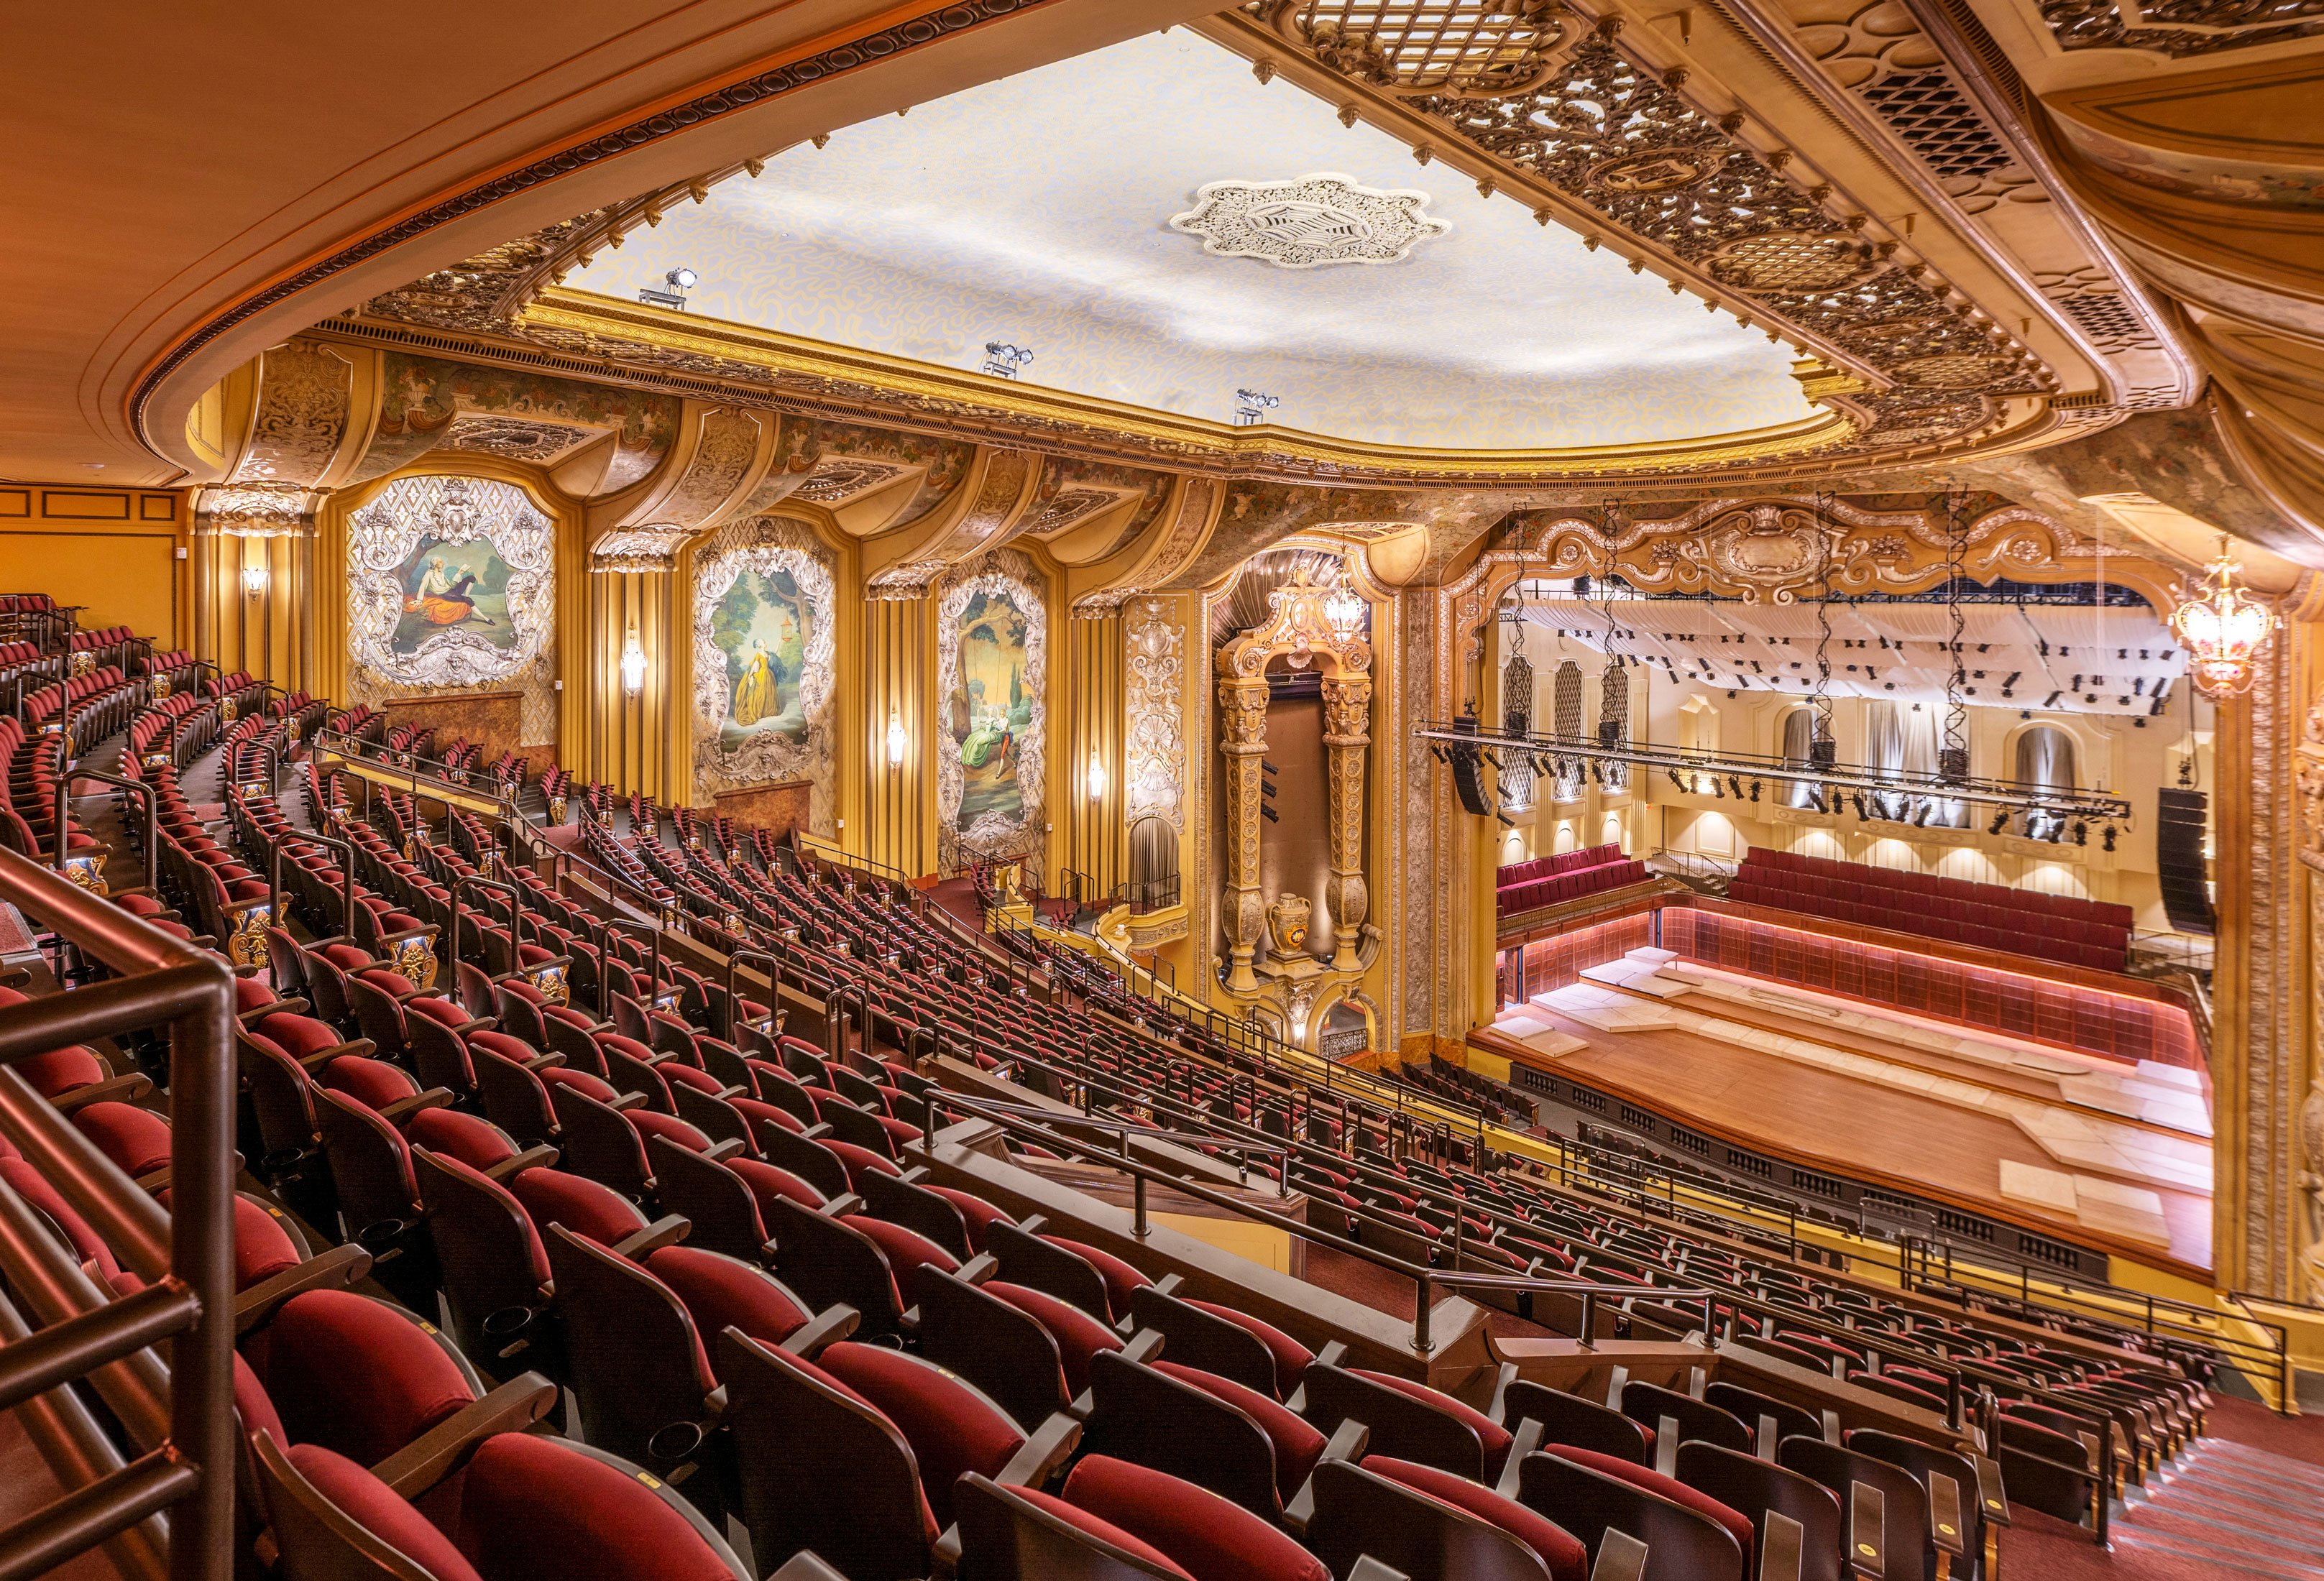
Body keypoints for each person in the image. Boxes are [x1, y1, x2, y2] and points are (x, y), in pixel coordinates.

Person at [732, 637, 775, 727]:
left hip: (768, 674)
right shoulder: (758, 654)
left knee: (768, 692)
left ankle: (765, 711)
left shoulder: (767, 653)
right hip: (761, 674)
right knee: (760, 692)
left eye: (764, 641)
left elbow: (775, 654)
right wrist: (750, 675)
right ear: (760, 645)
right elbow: (755, 665)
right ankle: (758, 711)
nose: (765, 642)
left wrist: (779, 644)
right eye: (763, 641)